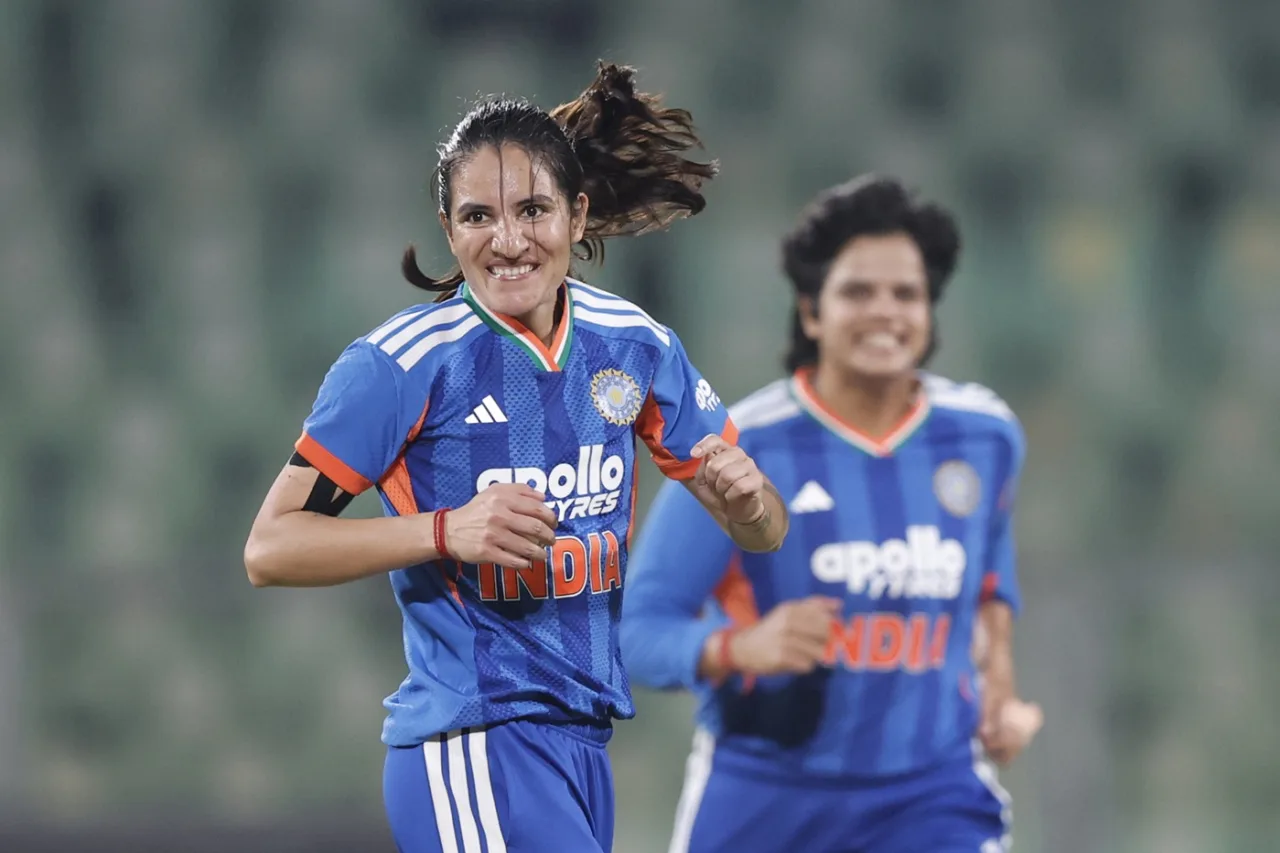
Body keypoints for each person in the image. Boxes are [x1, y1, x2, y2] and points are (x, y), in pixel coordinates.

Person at [242, 62, 789, 853]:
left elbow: (763, 531)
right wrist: (444, 530)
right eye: (478, 216)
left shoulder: (634, 344)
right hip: (474, 741)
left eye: (533, 210)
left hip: (584, 747)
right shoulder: (400, 365)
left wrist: (751, 503)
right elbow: (270, 547)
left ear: (577, 212)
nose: (507, 241)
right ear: (448, 227)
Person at [621, 175, 1043, 853]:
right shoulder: (741, 448)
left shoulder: (985, 438)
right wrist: (738, 648)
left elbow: (991, 582)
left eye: (906, 294)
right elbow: (637, 630)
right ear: (812, 312)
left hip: (931, 796)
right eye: (858, 292)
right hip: (767, 796)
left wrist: (999, 690)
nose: (885, 312)